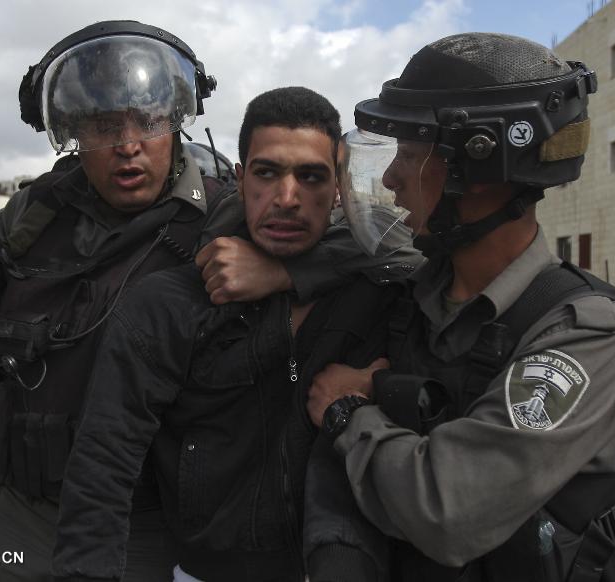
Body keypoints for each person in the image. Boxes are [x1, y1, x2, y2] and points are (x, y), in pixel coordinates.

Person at [0, 22, 414, 581]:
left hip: (144, 517)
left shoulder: (224, 207)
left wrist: (284, 269)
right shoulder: (35, 214)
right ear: (73, 131)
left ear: (175, 123)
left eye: (147, 121)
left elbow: (368, 243)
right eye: (103, 126)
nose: (127, 146)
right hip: (24, 507)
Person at [305, 33, 615, 581]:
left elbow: (449, 512)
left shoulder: (588, 337)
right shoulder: (421, 293)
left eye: (410, 154)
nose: (389, 178)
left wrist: (345, 413)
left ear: (478, 169)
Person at [51, 86, 419, 582]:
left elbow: (429, 258)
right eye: (267, 173)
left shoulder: (378, 291)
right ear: (241, 181)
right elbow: (103, 465)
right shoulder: (168, 304)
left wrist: (293, 275)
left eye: (310, 177)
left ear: (338, 190)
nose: (287, 199)